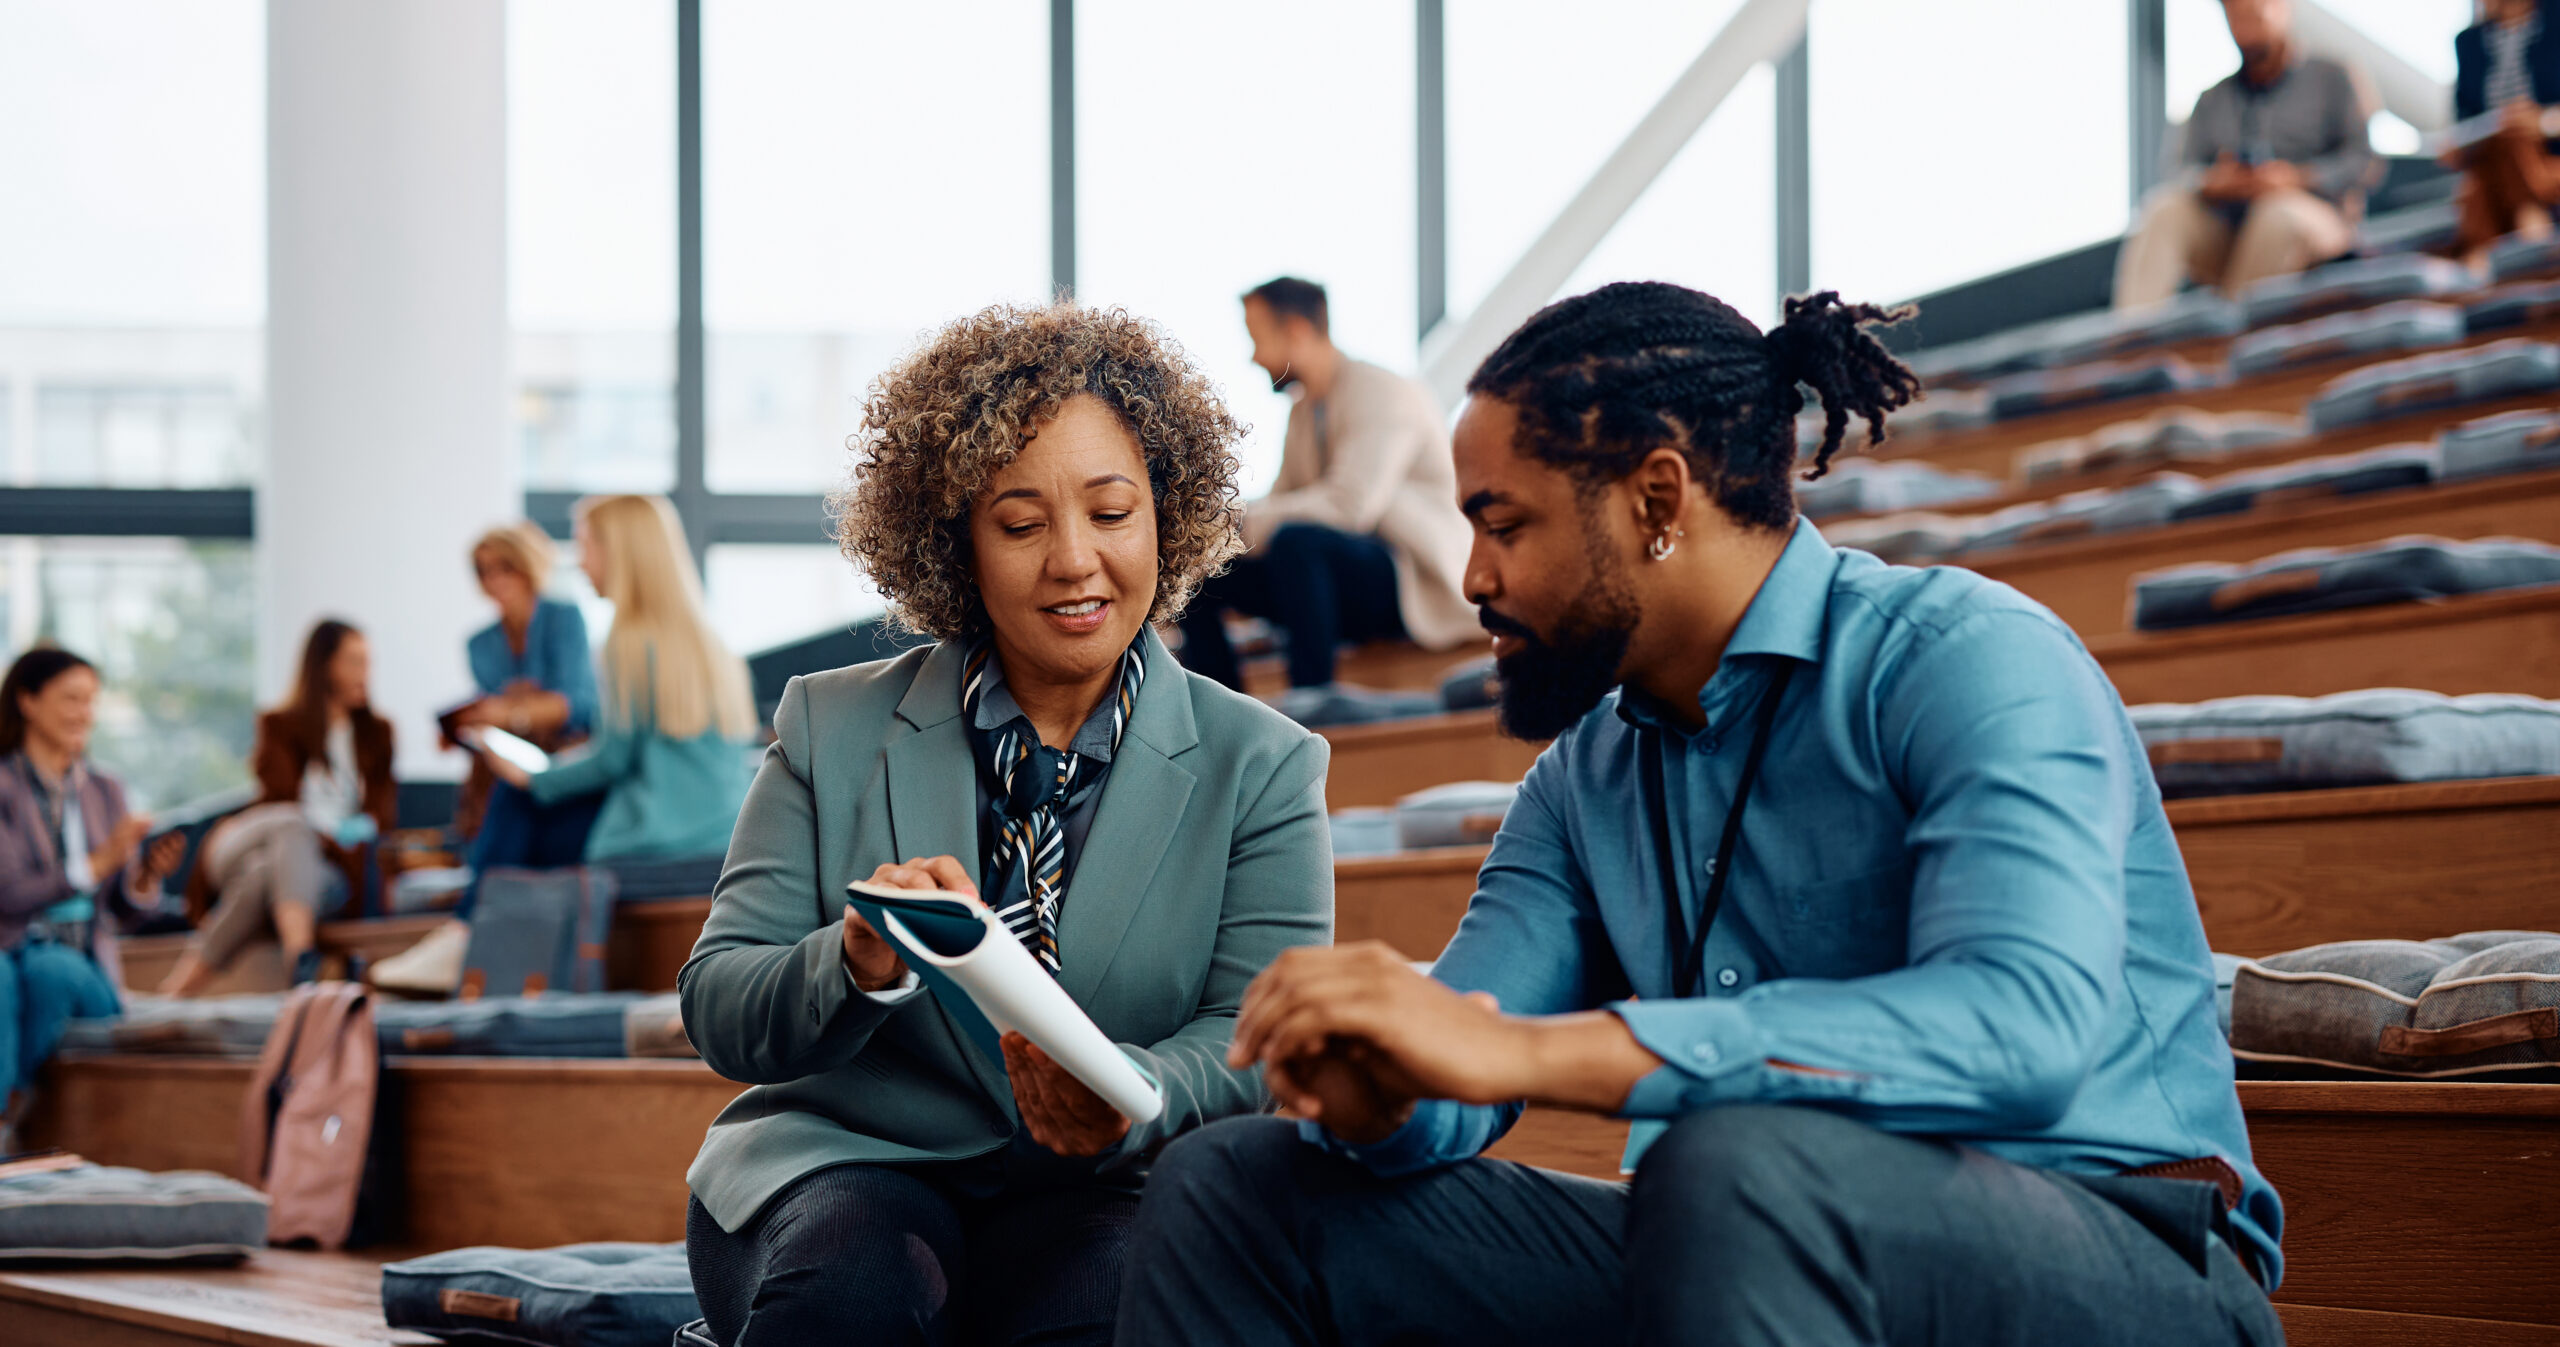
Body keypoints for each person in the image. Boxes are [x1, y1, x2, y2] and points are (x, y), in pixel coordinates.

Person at [1118, 282, 2284, 1347]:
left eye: (1505, 523)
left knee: (1732, 1164)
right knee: (1238, 1187)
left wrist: (1516, 1050)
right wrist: (1385, 1090)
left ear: (1656, 499)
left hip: (2129, 1260)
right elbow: (1464, 1040)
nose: (1471, 577)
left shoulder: (1967, 655)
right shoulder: (1581, 781)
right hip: (1747, 1241)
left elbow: (2020, 1031)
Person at [678, 300, 1333, 1347]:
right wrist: (855, 961)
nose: (1075, 561)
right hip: (848, 1167)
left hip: (1103, 1189)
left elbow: (1255, 1037)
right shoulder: (827, 724)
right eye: (1022, 525)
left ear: (1169, 514)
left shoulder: (1265, 764)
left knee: (1119, 1316)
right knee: (848, 1299)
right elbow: (720, 1006)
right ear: (957, 546)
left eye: (1112, 513)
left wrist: (1134, 1095)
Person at [371, 494, 756, 995]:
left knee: (517, 799)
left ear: (621, 553)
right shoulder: (708, 641)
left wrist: (535, 777)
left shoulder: (629, 641)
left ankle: (466, 937)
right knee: (527, 806)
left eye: (586, 545)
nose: (579, 562)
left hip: (662, 832)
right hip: (718, 827)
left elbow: (614, 759)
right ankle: (471, 938)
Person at [1176, 277, 1476, 698]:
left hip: (1412, 580)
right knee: (1203, 573)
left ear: (1296, 330)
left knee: (1298, 543)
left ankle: (1311, 701)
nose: (1254, 357)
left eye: (1258, 339)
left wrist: (1238, 521)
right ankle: (1220, 709)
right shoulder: (1304, 412)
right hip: (1335, 579)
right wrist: (1210, 534)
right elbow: (1283, 504)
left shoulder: (1382, 391)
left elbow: (1351, 507)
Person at [2114, 0, 2379, 310]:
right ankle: (2131, 341)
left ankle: (2235, 342)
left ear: (2283, 8)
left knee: (2276, 213)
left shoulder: (2334, 77)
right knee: (2164, 210)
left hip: (2316, 223)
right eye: (2235, 18)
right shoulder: (2213, 100)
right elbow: (2179, 170)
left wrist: (2294, 178)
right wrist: (2214, 182)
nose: (2246, 29)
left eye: (2255, 15)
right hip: (2233, 232)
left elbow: (2365, 162)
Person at [0, 648, 183, 1142]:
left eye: (91, 701)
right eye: (70, 699)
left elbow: (124, 913)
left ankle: (10, 1111)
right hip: (12, 952)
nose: (84, 713)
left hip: (85, 968)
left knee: (48, 969)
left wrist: (143, 877)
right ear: (27, 702)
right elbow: (8, 892)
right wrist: (96, 864)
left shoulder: (104, 789)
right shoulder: (4, 787)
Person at [161, 620, 395, 996]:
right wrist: (334, 832)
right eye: (354, 661)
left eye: (368, 662)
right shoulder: (280, 725)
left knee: (262, 874)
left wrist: (342, 836)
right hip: (257, 839)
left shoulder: (377, 735)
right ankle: (300, 960)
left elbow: (380, 817)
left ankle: (177, 992)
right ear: (325, 665)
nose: (364, 673)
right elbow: (280, 801)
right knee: (290, 824)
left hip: (315, 868)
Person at [445, 521, 600, 841]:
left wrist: (507, 712)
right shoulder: (479, 645)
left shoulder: (564, 618)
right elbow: (496, 716)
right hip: (508, 767)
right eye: (484, 571)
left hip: (567, 761)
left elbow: (578, 706)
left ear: (526, 566)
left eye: (506, 568)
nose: (495, 580)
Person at [2451, 0, 2560, 256]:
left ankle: (2482, 264)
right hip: (2495, 163)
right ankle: (2531, 232)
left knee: (2502, 152)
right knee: (2497, 148)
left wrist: (2542, 122)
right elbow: (2465, 120)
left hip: (2550, 159)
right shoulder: (2469, 43)